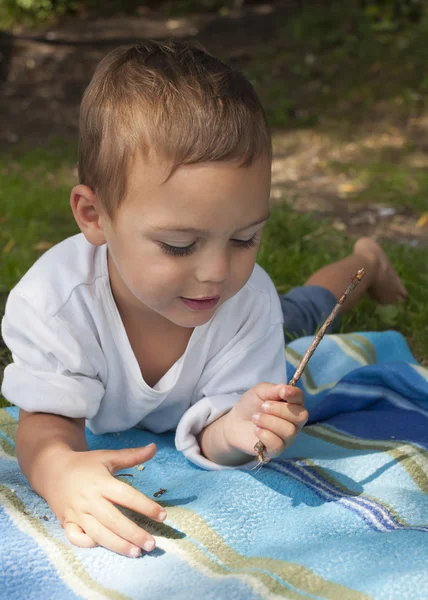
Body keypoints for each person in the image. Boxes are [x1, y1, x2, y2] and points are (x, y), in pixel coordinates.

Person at [0, 41, 407, 560]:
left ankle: (366, 262)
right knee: (296, 308)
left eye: (244, 239)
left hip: (256, 322)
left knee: (302, 309)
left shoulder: (246, 298)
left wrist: (240, 429)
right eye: (178, 245)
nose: (217, 273)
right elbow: (47, 421)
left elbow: (217, 433)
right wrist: (58, 469)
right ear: (94, 216)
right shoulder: (55, 301)